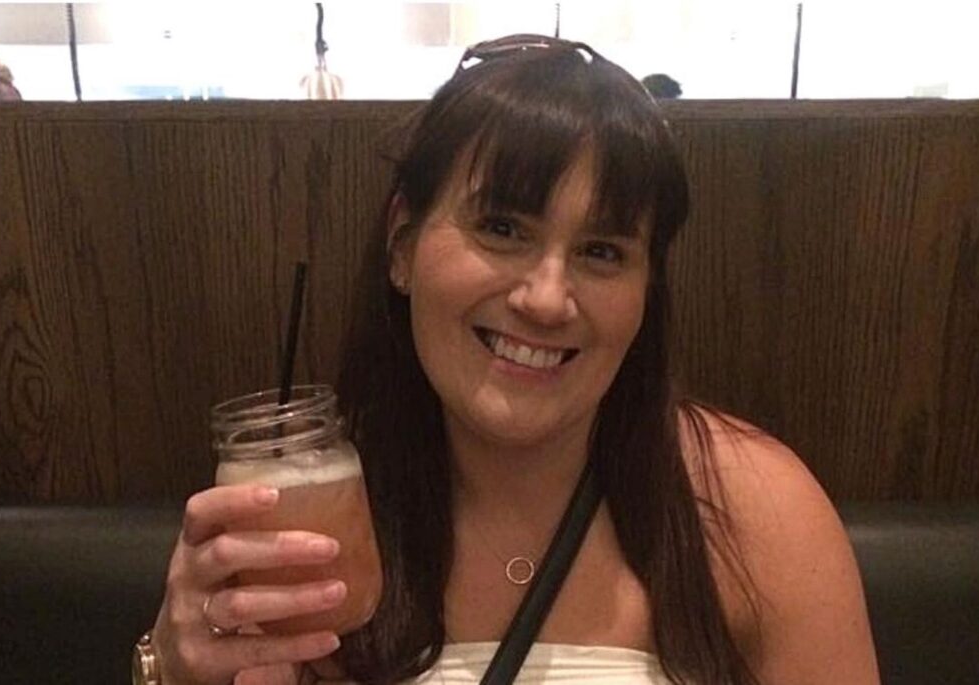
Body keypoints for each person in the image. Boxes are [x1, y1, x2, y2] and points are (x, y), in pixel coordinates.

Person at [143, 34, 879, 684]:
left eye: (601, 251)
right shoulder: (310, 513)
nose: (547, 297)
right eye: (502, 227)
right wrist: (168, 671)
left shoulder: (755, 506)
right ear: (403, 243)